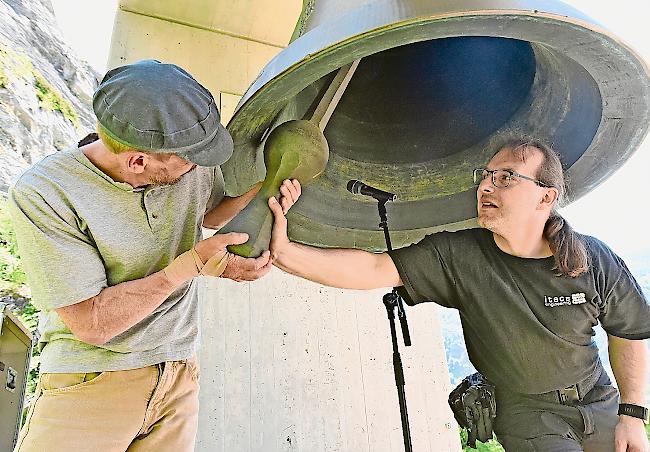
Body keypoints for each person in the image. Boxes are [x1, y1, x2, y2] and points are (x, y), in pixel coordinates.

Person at [268, 138, 650, 451]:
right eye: (485, 176)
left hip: (597, 398)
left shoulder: (591, 258)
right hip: (529, 413)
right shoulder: (458, 255)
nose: (485, 186)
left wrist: (631, 415)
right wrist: (286, 252)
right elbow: (373, 268)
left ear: (545, 198)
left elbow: (627, 330)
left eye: (505, 177)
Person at [9, 59, 301, 452]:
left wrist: (266, 190)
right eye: (190, 160)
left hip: (178, 371)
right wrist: (191, 266)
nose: (201, 166)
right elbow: (92, 324)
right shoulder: (46, 193)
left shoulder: (187, 162)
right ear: (138, 162)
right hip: (94, 377)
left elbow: (209, 211)